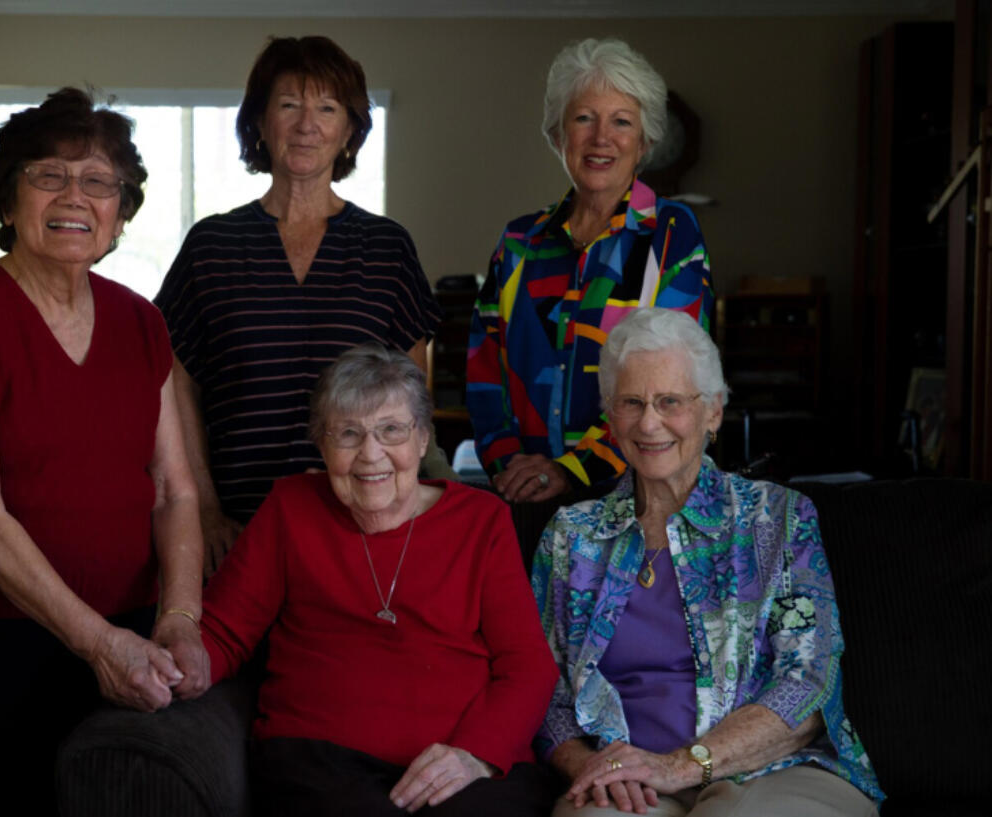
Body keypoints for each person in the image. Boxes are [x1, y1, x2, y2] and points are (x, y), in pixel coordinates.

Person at [0, 88, 208, 816]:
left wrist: (180, 615)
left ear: (119, 212)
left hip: (130, 623)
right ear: (8, 200)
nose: (75, 196)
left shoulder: (141, 322)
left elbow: (175, 490)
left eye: (99, 182)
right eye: (48, 175)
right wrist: (96, 645)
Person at [531, 308, 883, 816]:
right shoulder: (571, 539)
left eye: (670, 401)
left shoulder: (777, 520)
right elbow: (543, 694)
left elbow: (807, 684)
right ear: (610, 416)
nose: (649, 422)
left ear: (713, 411)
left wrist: (680, 766)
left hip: (770, 771)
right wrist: (591, 768)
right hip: (629, 782)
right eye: (631, 402)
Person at [199, 344, 559, 816]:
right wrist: (171, 665)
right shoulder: (290, 508)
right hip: (320, 761)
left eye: (391, 430)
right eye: (348, 434)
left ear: (423, 439)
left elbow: (528, 666)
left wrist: (475, 753)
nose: (371, 455)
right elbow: (223, 632)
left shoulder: (481, 520)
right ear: (321, 445)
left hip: (461, 763)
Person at [153, 35, 443, 575]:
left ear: (350, 132)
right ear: (260, 124)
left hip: (359, 529)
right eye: (288, 105)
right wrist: (205, 510)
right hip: (238, 532)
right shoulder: (211, 245)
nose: (307, 124)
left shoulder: (386, 246)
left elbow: (411, 401)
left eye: (327, 108)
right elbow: (175, 385)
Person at [467, 38, 714, 507]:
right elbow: (485, 375)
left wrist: (573, 472)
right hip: (526, 500)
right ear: (559, 135)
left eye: (621, 122)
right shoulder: (519, 244)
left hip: (633, 502)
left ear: (643, 143)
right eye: (584, 118)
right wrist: (514, 470)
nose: (602, 138)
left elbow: (673, 384)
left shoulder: (671, 236)